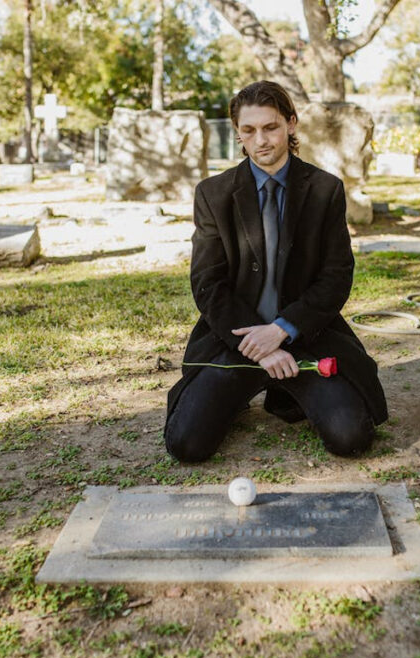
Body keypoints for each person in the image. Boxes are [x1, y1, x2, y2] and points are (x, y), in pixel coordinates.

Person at [164, 80, 387, 463]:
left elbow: (336, 276)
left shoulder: (325, 189)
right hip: (234, 340)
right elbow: (207, 283)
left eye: (270, 127)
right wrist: (259, 347)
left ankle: (285, 395)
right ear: (238, 133)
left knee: (350, 437)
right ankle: (245, 392)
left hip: (306, 337)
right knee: (186, 445)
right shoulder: (212, 194)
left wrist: (282, 330)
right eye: (249, 131)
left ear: (291, 124)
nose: (260, 140)